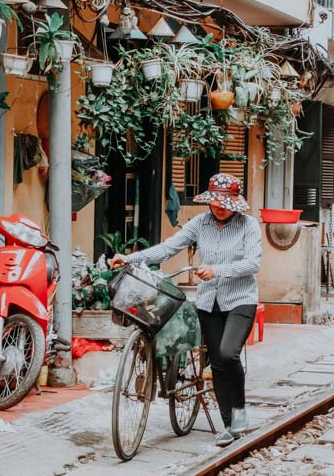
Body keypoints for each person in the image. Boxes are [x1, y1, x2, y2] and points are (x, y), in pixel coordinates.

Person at [110, 173, 262, 447]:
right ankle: (229, 424)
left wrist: (217, 270)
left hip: (241, 299)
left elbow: (252, 264)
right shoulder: (199, 224)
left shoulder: (249, 226)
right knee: (216, 361)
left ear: (236, 203)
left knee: (229, 354)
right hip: (208, 302)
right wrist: (129, 258)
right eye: (216, 201)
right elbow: (168, 248)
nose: (220, 206)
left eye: (226, 202)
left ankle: (240, 413)